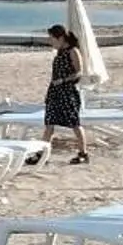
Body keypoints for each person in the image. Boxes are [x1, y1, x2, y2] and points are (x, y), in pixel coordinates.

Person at [42, 23, 90, 164]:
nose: (51, 42)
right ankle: (42, 155)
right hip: (55, 92)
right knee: (49, 124)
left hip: (67, 93)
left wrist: (63, 80)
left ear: (61, 38)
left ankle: (83, 153)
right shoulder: (60, 52)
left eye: (52, 39)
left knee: (74, 123)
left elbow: (79, 72)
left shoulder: (73, 51)